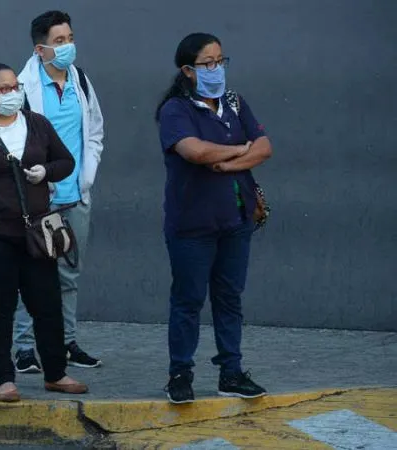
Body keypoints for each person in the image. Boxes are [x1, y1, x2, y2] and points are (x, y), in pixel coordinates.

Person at [0, 62, 88, 403]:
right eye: (4, 89)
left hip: (37, 232)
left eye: (16, 87)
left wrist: (47, 172)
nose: (12, 94)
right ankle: (4, 380)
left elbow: (66, 162)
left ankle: (55, 373)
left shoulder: (37, 125)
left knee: (47, 303)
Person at [155, 33, 272, 404]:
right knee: (188, 299)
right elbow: (194, 151)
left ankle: (231, 371)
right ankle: (180, 373)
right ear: (188, 70)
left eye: (220, 61)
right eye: (207, 63)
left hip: (235, 220)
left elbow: (265, 148)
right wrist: (240, 149)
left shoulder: (234, 103)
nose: (216, 69)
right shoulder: (176, 109)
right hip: (192, 224)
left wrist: (230, 163)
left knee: (229, 297)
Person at [13, 10, 105, 373]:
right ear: (41, 49)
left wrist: (88, 176)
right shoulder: (22, 90)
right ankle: (23, 348)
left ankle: (67, 342)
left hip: (75, 195)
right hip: (39, 200)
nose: (68, 46)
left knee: (70, 274)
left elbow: (95, 130)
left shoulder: (81, 80)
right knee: (32, 273)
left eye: (70, 38)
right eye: (59, 41)